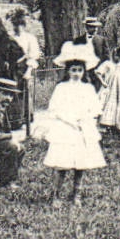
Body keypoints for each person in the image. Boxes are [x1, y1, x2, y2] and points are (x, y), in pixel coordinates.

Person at [42, 59, 106, 205]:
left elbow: (95, 108)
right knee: (62, 164)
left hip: (83, 127)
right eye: (73, 70)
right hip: (65, 127)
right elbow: (54, 109)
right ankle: (56, 195)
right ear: (68, 71)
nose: (76, 73)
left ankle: (76, 194)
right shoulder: (61, 88)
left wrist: (85, 119)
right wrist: (69, 120)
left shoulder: (88, 88)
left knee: (80, 163)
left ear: (84, 72)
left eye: (79, 70)